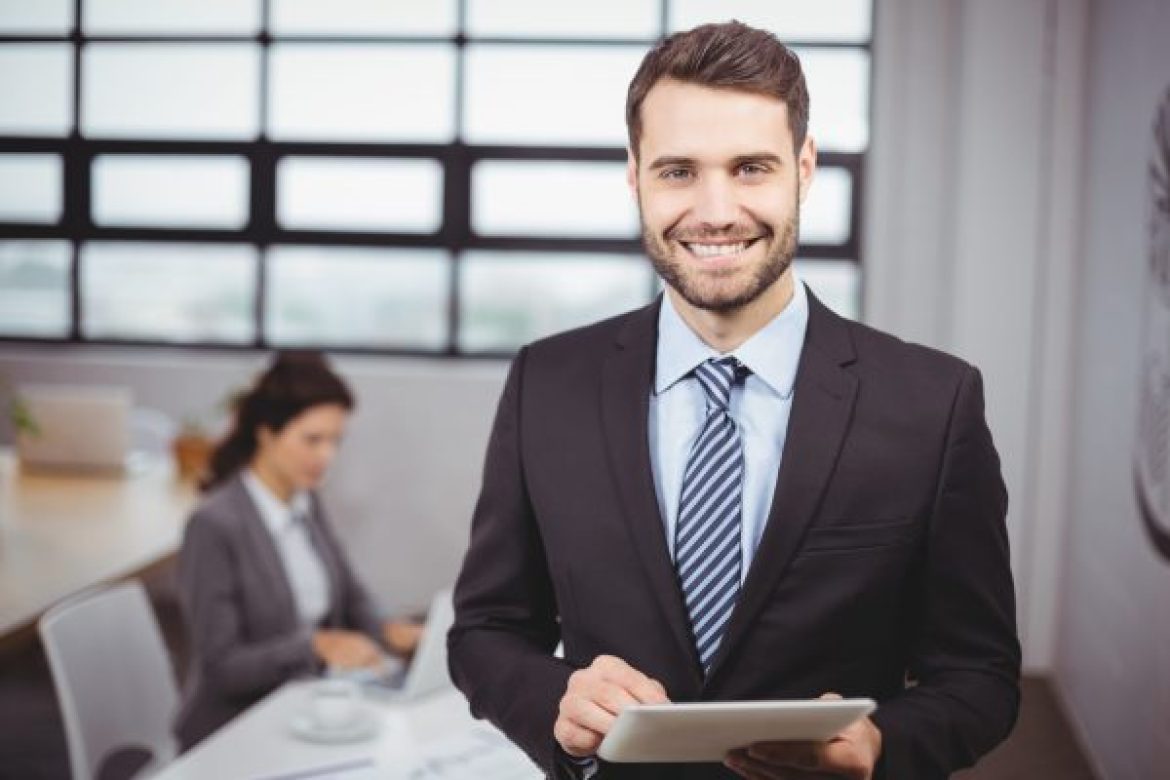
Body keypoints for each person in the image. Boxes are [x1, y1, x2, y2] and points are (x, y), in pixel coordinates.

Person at [447, 21, 1020, 780]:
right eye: (678, 171)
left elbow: (980, 675)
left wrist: (883, 745)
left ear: (804, 170)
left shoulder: (934, 403)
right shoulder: (547, 383)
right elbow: (485, 630)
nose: (715, 211)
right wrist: (556, 701)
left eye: (751, 168)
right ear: (635, 176)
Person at [173, 351, 421, 750]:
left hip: (301, 706)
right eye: (312, 440)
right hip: (235, 728)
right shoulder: (214, 525)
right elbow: (221, 667)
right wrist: (316, 646)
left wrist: (387, 628)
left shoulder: (305, 502)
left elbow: (351, 595)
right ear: (267, 432)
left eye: (335, 441)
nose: (327, 456)